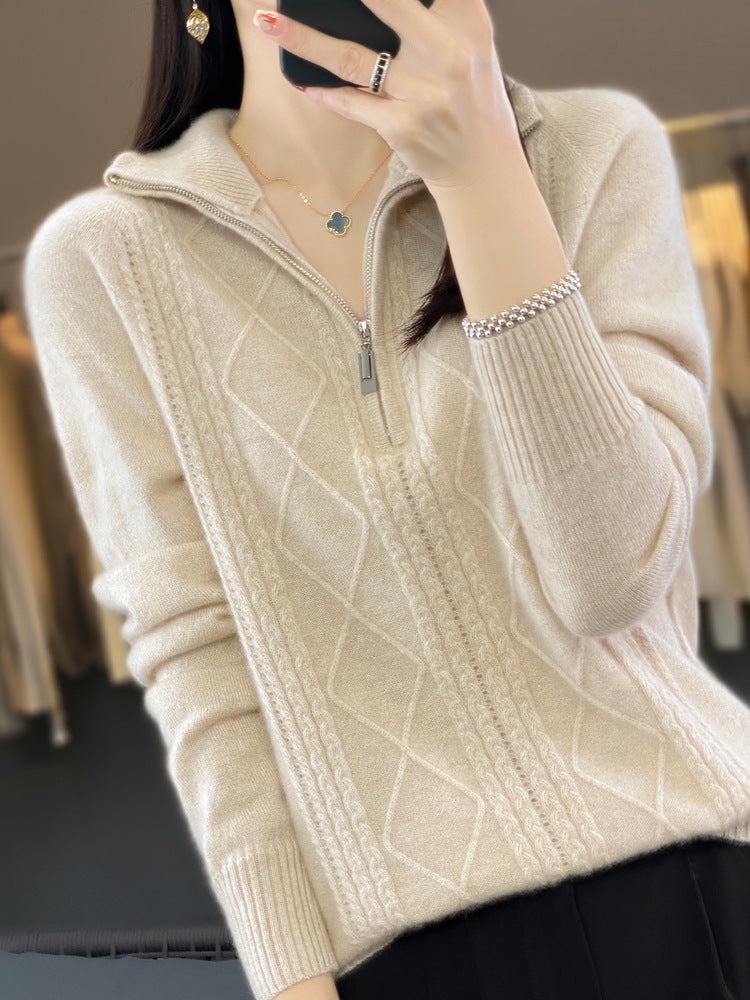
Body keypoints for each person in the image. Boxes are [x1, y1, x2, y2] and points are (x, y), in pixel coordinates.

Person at [21, 0, 750, 997]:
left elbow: (612, 578)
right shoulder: (105, 263)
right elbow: (196, 652)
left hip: (700, 888)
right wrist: (290, 977)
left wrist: (481, 171)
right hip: (405, 956)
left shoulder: (588, 153)